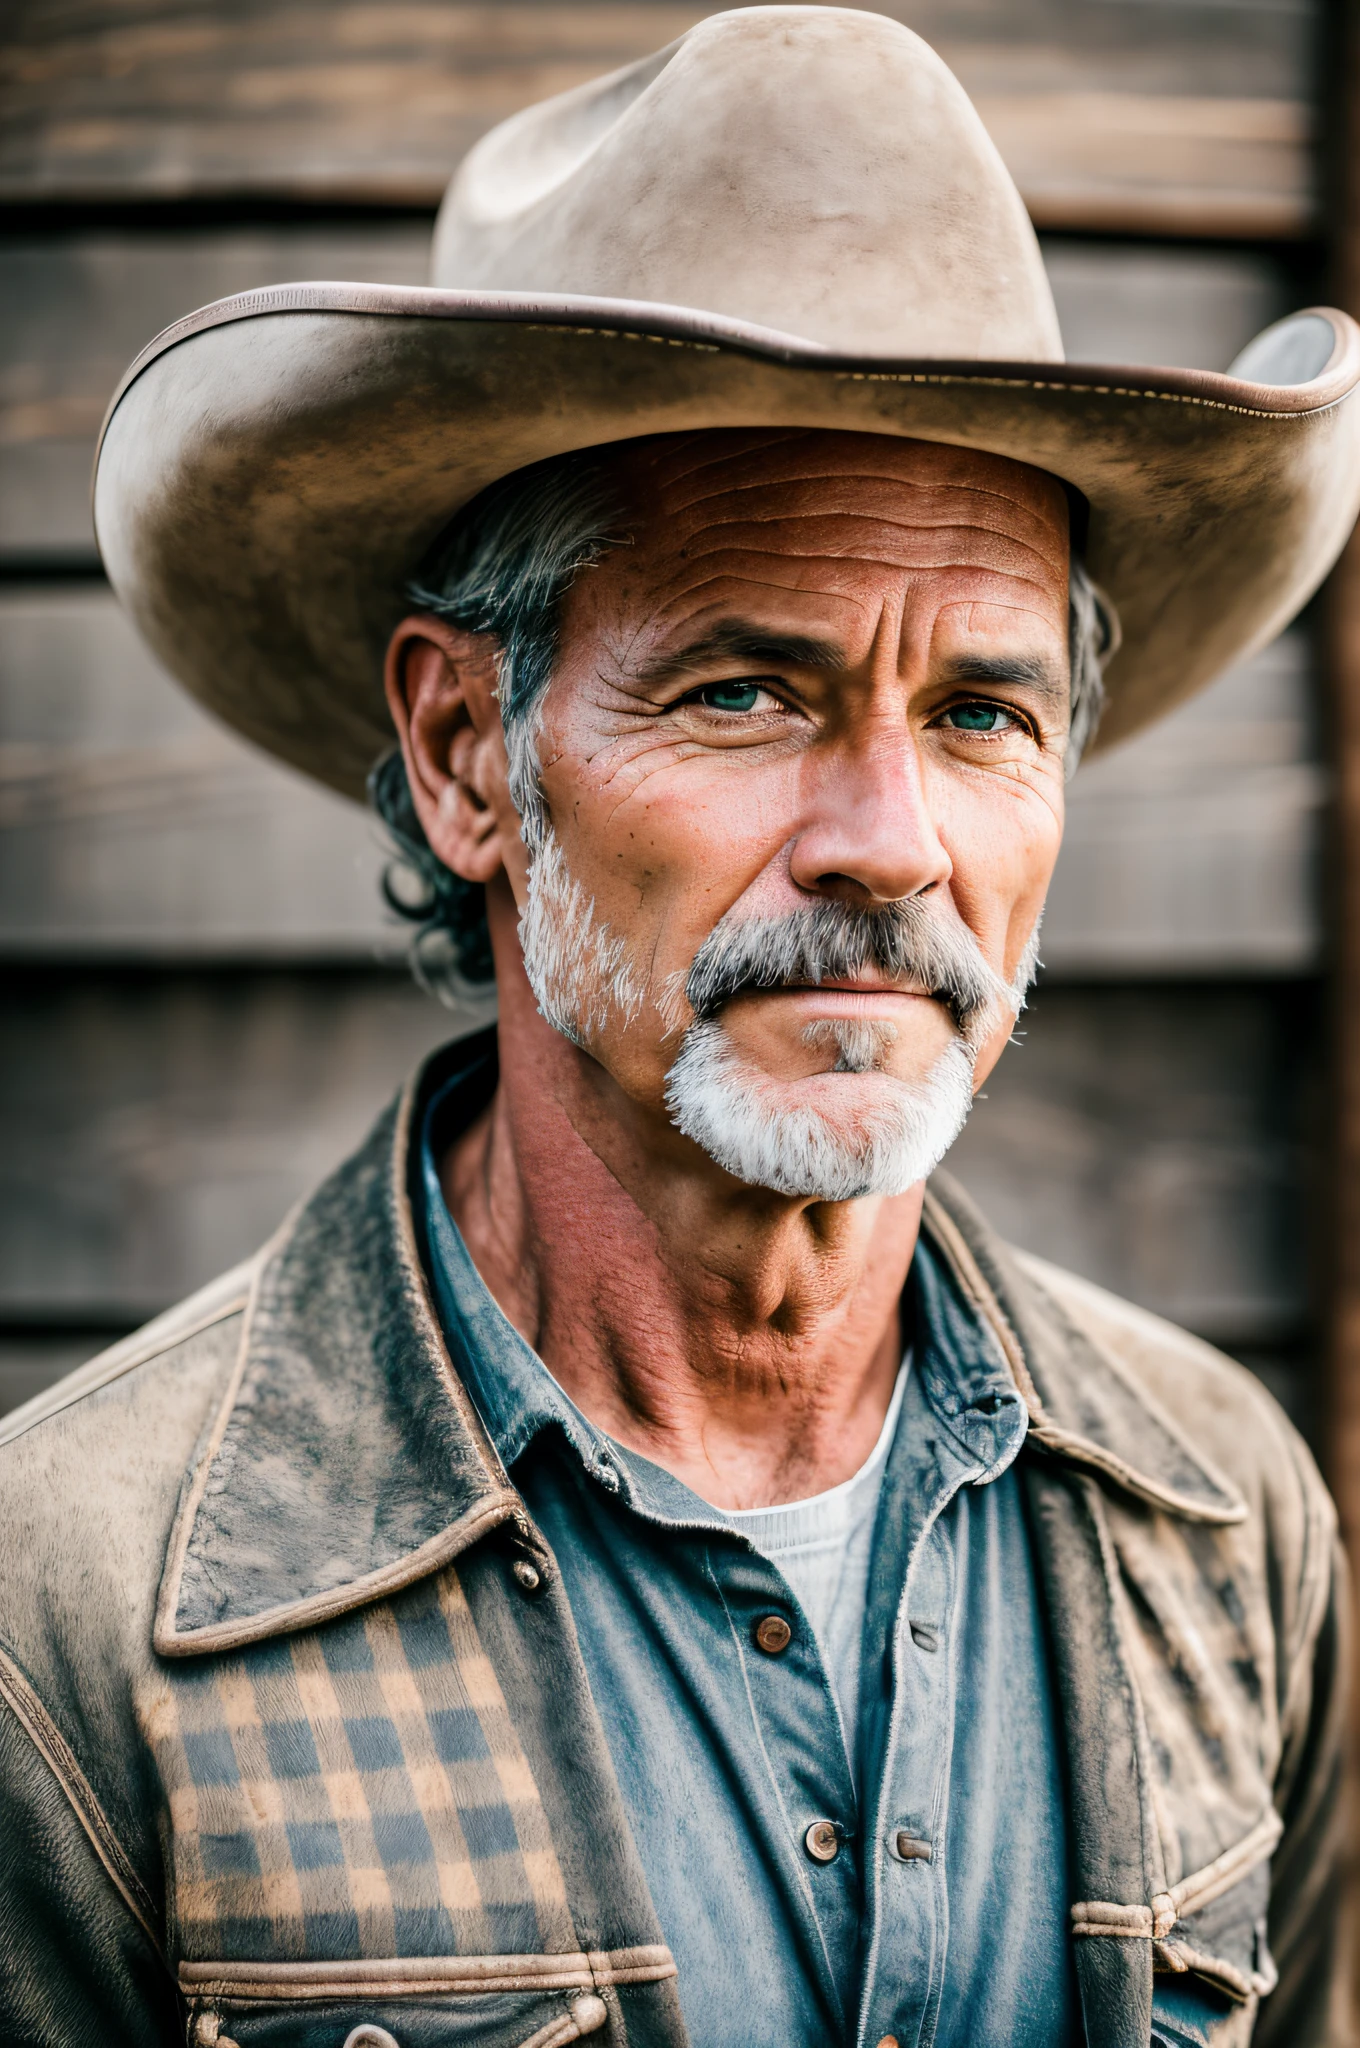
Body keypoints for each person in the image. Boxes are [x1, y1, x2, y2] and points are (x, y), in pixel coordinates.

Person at [4, 11, 1360, 2047]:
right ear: (468, 753)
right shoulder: (74, 1617)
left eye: (981, 713)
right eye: (743, 691)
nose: (885, 846)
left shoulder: (1220, 1513)